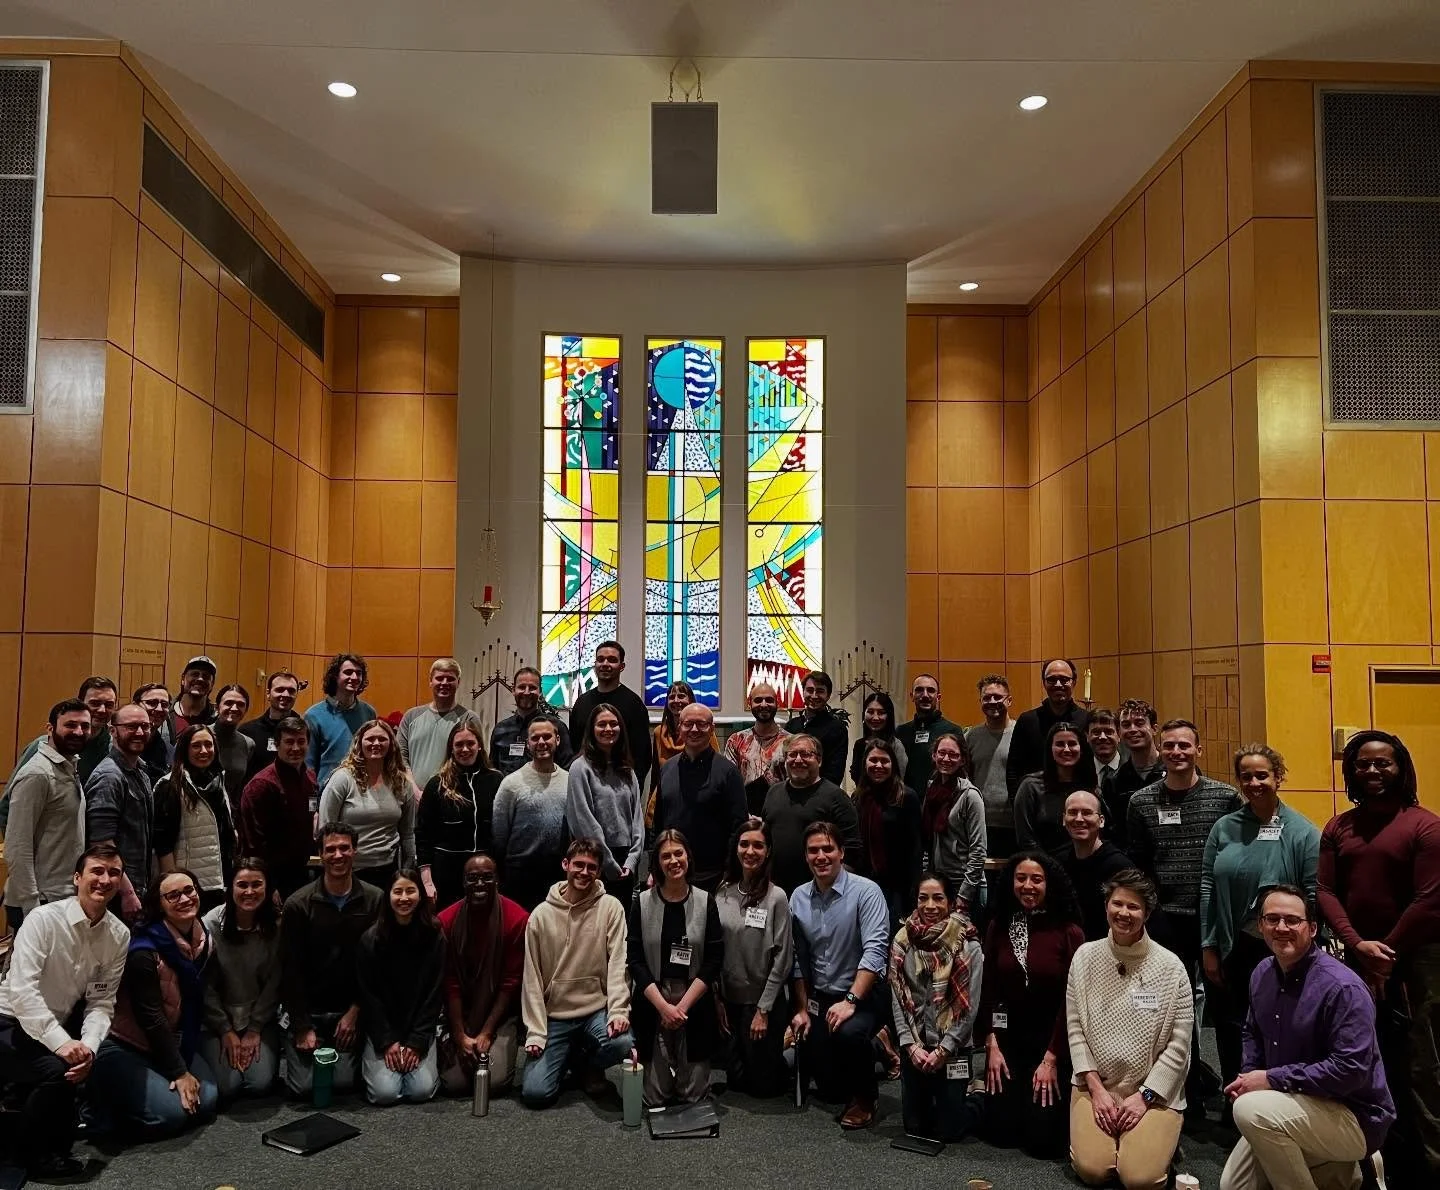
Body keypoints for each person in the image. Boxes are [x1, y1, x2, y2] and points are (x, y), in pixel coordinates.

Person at [1318, 730, 1440, 1181]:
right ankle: (1371, 1161)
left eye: (1382, 763)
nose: (1371, 771)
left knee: (1421, 1067)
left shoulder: (1425, 825)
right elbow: (1326, 890)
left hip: (1418, 959)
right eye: (1362, 763)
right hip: (1358, 958)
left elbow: (1429, 898)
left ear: (1401, 767)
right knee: (1364, 1058)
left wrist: (1385, 952)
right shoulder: (1339, 827)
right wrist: (1358, 947)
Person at [1220, 885, 1395, 1190]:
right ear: (1260, 926)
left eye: (1292, 920)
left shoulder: (1343, 988)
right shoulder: (1261, 973)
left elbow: (1350, 1071)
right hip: (1291, 1103)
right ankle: (1344, 1172)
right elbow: (1252, 1032)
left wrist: (1271, 1079)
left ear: (1313, 928)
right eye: (1272, 919)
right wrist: (1251, 1076)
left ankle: (1354, 1162)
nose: (1281, 928)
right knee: (1233, 1186)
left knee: (1250, 1112)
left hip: (1352, 1114)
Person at [1126, 718, 1242, 1111]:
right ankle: (1185, 1089)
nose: (1177, 753)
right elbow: (1138, 866)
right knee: (1173, 1012)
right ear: (1161, 749)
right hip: (1164, 921)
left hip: (1213, 918)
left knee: (1225, 1012)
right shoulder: (1141, 802)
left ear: (1198, 750)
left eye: (1184, 746)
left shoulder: (1225, 798)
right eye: (1170, 746)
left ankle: (1233, 1093)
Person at [0, 843, 128, 1179]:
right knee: (58, 1071)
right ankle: (28, 1158)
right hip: (7, 1017)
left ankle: (43, 1145)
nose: (105, 879)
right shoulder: (42, 920)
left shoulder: (119, 934)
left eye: (114, 872)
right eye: (96, 871)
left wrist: (88, 1048)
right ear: (77, 877)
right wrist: (62, 1044)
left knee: (75, 1067)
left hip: (52, 1024)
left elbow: (102, 1002)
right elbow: (22, 993)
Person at [1201, 744, 1320, 1095]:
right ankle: (1234, 1094)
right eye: (1246, 776)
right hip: (1231, 942)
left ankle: (1274, 1096)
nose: (1254, 782)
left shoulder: (1303, 832)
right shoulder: (1224, 827)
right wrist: (1209, 945)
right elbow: (1208, 886)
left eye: (1262, 775)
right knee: (1230, 1024)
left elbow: (1312, 895)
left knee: (1276, 1025)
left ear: (1278, 777)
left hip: (1281, 949)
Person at [1066, 870, 1193, 1190]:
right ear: (1106, 906)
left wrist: (1144, 1097)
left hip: (1153, 1091)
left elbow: (1180, 1047)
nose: (1124, 913)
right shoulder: (1084, 957)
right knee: (1093, 1170)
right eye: (1117, 904)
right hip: (1095, 1084)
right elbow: (1075, 1029)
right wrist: (1095, 1089)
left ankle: (1159, 1138)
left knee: (1140, 1179)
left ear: (1147, 913)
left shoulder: (1172, 967)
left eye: (1133, 907)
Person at [88, 868, 219, 1139]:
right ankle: (101, 1108)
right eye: (172, 895)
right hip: (127, 1044)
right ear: (159, 904)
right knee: (170, 1115)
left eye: (189, 890)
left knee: (207, 1101)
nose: (184, 899)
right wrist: (180, 1072)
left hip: (171, 1041)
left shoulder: (204, 939)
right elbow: (151, 1017)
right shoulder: (144, 950)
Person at [979, 850, 1085, 1157]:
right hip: (1008, 1038)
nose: (1028, 886)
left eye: (1036, 880)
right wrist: (991, 1044)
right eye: (1021, 878)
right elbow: (989, 986)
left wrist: (1051, 1058)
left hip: (1051, 1040)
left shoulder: (1069, 931)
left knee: (1043, 1144)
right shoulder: (999, 925)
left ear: (1049, 884)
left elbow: (1073, 1001)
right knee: (1000, 1133)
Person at [519, 837, 635, 1108]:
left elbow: (620, 963)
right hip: (555, 1016)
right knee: (536, 1095)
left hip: (595, 1010)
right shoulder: (540, 915)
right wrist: (535, 1031)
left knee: (622, 1044)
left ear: (599, 871)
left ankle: (585, 1063)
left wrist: (618, 1010)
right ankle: (567, 1056)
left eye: (592, 867)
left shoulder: (611, 908)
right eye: (578, 865)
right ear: (565, 865)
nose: (584, 872)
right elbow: (531, 979)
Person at [789, 821, 890, 1129]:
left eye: (828, 849)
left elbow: (875, 951)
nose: (821, 856)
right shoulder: (798, 897)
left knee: (848, 1033)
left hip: (863, 994)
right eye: (813, 850)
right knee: (832, 1091)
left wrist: (850, 1001)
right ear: (805, 857)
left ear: (841, 852)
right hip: (822, 998)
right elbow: (797, 961)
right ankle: (877, 1049)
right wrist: (802, 1009)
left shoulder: (866, 892)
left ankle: (865, 1098)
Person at [279, 822, 383, 1097]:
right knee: (303, 1088)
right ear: (320, 855)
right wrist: (302, 1027)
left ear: (355, 850)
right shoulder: (298, 905)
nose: (338, 855)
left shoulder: (375, 901)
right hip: (309, 1011)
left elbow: (376, 967)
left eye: (344, 848)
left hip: (349, 1014)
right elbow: (290, 970)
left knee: (342, 1083)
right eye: (330, 850)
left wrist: (355, 1012)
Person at [628, 830, 723, 1106]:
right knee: (654, 1098)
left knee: (692, 1097)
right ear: (656, 862)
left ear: (688, 857)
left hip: (693, 996)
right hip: (653, 996)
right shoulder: (642, 902)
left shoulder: (706, 901)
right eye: (666, 855)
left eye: (678, 853)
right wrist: (664, 1007)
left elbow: (713, 960)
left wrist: (681, 1007)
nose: (673, 861)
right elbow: (635, 959)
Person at [889, 871, 984, 1141]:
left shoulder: (968, 945)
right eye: (923, 898)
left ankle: (978, 1096)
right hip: (916, 1046)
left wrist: (944, 1050)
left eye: (938, 898)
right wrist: (910, 1046)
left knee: (948, 1131)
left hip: (952, 1049)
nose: (930, 906)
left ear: (951, 903)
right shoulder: (901, 941)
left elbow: (970, 1007)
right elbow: (896, 998)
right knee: (915, 1128)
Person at [714, 817, 793, 1098]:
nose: (750, 851)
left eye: (758, 846)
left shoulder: (777, 897)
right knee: (735, 1080)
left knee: (764, 1089)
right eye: (744, 844)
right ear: (736, 848)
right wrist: (717, 999)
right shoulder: (722, 891)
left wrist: (763, 1010)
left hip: (762, 1004)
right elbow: (713, 950)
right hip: (729, 1001)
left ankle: (791, 1052)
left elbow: (783, 957)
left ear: (768, 851)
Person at [437, 853, 529, 1095]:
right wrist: (459, 1034)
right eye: (473, 878)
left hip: (500, 1014)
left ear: (497, 881)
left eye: (487, 878)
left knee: (493, 1082)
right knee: (455, 1084)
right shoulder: (445, 921)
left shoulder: (517, 919)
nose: (479, 884)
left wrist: (487, 1032)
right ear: (463, 882)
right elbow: (450, 982)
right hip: (459, 1012)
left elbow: (511, 982)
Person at [356, 869, 444, 1105]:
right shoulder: (370, 939)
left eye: (410, 891)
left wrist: (416, 1043)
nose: (404, 898)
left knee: (420, 1091)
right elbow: (368, 996)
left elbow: (435, 994)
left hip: (420, 1027)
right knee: (385, 1094)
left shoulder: (435, 935)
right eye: (398, 892)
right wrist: (388, 1042)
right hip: (383, 1030)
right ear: (388, 896)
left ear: (420, 895)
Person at [3, 698, 91, 930]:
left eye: (85, 726)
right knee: (26, 967)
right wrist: (32, 905)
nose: (79, 731)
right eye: (70, 725)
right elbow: (16, 847)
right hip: (38, 900)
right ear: (50, 729)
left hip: (61, 896)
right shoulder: (38, 774)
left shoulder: (68, 767)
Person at [201, 860, 281, 1099]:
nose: (249, 892)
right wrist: (226, 1030)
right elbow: (205, 986)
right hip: (217, 1021)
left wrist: (255, 1029)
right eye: (242, 885)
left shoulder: (277, 925)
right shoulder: (210, 925)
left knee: (259, 1084)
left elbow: (274, 983)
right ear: (230, 888)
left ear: (267, 888)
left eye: (257, 885)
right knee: (228, 1088)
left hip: (259, 1017)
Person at [653, 703, 747, 891]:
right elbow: (658, 824)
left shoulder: (728, 772)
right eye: (688, 724)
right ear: (679, 728)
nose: (694, 729)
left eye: (701, 724)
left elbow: (738, 827)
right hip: (673, 871)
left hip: (714, 876)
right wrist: (653, 868)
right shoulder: (668, 769)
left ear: (712, 729)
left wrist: (730, 872)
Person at [319, 718, 419, 890]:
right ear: (359, 743)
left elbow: (408, 833)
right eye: (370, 739)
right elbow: (326, 828)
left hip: (388, 870)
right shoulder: (342, 779)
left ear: (391, 744)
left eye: (382, 739)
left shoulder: (402, 783)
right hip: (348, 870)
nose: (376, 743)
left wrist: (408, 871)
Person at [417, 715, 502, 908]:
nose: (465, 749)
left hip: (483, 872)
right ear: (451, 749)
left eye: (470, 743)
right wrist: (427, 881)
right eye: (459, 745)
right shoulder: (437, 784)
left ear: (479, 745)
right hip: (446, 871)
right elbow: (423, 834)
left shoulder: (496, 780)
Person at [153, 723, 239, 913]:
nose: (204, 751)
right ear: (185, 749)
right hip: (188, 885)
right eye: (196, 745)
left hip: (219, 880)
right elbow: (162, 843)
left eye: (208, 745)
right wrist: (172, 884)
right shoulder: (170, 786)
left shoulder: (218, 781)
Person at [762, 732, 862, 893]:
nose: (798, 760)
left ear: (819, 760)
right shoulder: (774, 792)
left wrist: (833, 890)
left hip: (821, 894)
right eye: (792, 754)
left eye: (805, 754)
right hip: (776, 891)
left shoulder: (836, 797)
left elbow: (852, 850)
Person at [0, 678, 118, 815]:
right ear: (80, 704)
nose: (102, 710)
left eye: (109, 705)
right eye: (95, 703)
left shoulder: (114, 748)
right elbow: (6, 807)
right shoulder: (44, 745)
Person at [566, 704, 644, 904]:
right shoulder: (580, 768)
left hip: (626, 863)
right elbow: (582, 819)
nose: (608, 729)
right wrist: (607, 862)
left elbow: (637, 818)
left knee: (621, 927)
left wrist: (633, 859)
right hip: (594, 862)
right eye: (602, 724)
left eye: (613, 724)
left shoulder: (627, 770)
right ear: (592, 730)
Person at [85, 701, 155, 920]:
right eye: (131, 727)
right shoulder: (109, 776)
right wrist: (128, 892)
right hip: (115, 891)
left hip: (137, 884)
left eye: (145, 726)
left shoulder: (141, 773)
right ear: (112, 730)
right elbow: (101, 842)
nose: (140, 732)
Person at [492, 717, 571, 910]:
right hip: (519, 876)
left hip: (557, 874)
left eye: (547, 736)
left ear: (557, 740)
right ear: (528, 744)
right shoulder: (511, 784)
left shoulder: (570, 781)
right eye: (535, 738)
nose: (542, 742)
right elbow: (499, 836)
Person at [237, 712, 317, 899]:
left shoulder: (310, 778)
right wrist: (268, 885)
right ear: (277, 744)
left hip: (302, 872)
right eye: (289, 742)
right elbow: (253, 843)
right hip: (270, 879)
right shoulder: (261, 785)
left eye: (301, 741)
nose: (296, 748)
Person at [852, 737, 922, 928]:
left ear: (893, 764)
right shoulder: (858, 798)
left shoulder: (907, 796)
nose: (878, 765)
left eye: (884, 761)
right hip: (864, 882)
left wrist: (914, 891)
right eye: (873, 760)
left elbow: (916, 847)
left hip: (897, 888)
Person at [568, 642, 653, 788]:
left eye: (612, 660)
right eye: (600, 659)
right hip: (585, 782)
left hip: (622, 784)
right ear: (595, 664)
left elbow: (642, 753)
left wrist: (632, 787)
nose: (605, 664)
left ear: (622, 666)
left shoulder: (634, 704)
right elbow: (574, 746)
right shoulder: (582, 703)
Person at [920, 732, 987, 915]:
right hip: (939, 883)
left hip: (965, 885)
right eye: (941, 753)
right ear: (934, 756)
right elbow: (928, 838)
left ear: (963, 760)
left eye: (953, 755)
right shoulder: (931, 790)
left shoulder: (970, 796)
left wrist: (964, 895)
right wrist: (927, 877)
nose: (946, 759)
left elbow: (978, 851)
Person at [1006, 659, 1091, 796]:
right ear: (1044, 683)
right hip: (1035, 803)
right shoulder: (1027, 720)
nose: (1058, 684)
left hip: (1078, 800)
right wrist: (1018, 802)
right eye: (1052, 679)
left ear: (1074, 682)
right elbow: (1013, 769)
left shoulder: (1086, 720)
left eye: (1064, 679)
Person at [1060, 790, 1136, 941]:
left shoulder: (1120, 867)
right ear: (1064, 819)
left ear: (1101, 821)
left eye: (1087, 813)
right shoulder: (1059, 864)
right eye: (1073, 812)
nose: (1079, 819)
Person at [1015, 721, 1099, 856]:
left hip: (1086, 866)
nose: (1066, 749)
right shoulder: (1030, 786)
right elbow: (1026, 839)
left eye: (1072, 744)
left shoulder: (1090, 787)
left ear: (1081, 749)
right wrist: (1051, 869)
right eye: (1060, 744)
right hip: (1044, 868)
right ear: (1050, 749)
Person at [305, 653, 378, 789]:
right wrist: (312, 805)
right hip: (326, 794)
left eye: (359, 673)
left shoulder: (369, 712)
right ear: (335, 676)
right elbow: (309, 767)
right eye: (348, 672)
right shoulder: (313, 715)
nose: (354, 677)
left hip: (362, 792)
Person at [396, 658, 468, 791]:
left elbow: (472, 761)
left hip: (453, 796)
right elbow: (400, 759)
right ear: (430, 681)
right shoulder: (411, 716)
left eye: (450, 679)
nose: (444, 683)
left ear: (458, 682)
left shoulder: (468, 718)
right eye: (439, 678)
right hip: (414, 798)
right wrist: (415, 792)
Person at [967, 674, 1017, 859]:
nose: (992, 701)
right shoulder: (971, 736)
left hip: (1013, 825)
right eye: (987, 698)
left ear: (1009, 700)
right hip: (979, 824)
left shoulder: (1021, 733)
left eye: (998, 697)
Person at [489, 666, 573, 775]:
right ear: (513, 690)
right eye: (522, 687)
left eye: (532, 687)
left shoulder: (556, 727)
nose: (526, 692)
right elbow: (493, 770)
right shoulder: (500, 729)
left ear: (540, 692)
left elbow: (567, 769)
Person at [723, 682, 790, 813]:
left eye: (769, 700)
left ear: (777, 703)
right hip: (745, 814)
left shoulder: (791, 742)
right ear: (750, 703)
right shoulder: (736, 740)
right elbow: (729, 784)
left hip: (781, 813)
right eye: (758, 700)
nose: (764, 704)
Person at [650, 679, 718, 807]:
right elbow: (655, 776)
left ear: (691, 700)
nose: (676, 701)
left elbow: (716, 770)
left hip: (696, 800)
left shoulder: (704, 732)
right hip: (664, 801)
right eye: (672, 697)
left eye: (681, 696)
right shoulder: (659, 732)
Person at [1109, 700, 1164, 849]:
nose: (1133, 729)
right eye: (1126, 725)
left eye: (1139, 723)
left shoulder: (1176, 770)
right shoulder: (1114, 781)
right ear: (1119, 732)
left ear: (1154, 728)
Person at [897, 672, 963, 793]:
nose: (925, 695)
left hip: (942, 802)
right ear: (912, 696)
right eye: (919, 690)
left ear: (938, 697)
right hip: (907, 803)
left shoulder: (953, 731)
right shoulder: (901, 732)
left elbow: (961, 772)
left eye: (931, 690)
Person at [783, 670, 848, 786]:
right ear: (803, 692)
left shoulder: (837, 729)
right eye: (810, 690)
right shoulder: (791, 725)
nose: (814, 696)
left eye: (820, 691)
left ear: (828, 696)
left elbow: (835, 774)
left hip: (821, 795)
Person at [239, 669, 302, 782]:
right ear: (268, 693)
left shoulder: (305, 731)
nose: (286, 694)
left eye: (291, 691)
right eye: (280, 690)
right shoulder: (247, 731)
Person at [849, 691, 909, 790]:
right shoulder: (859, 745)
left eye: (881, 713)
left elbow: (899, 781)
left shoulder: (896, 745)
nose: (875, 717)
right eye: (870, 712)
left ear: (889, 716)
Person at [212, 684, 254, 814]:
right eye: (228, 703)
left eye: (240, 704)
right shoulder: (198, 735)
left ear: (246, 710)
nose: (234, 708)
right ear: (217, 707)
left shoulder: (248, 744)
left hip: (230, 816)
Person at [134, 682, 174, 785]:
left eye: (165, 705)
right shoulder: (118, 744)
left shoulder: (169, 751)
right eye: (152, 703)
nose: (159, 709)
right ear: (135, 705)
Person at [167, 656, 218, 737]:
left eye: (206, 676)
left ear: (212, 684)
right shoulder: (165, 713)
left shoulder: (217, 719)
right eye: (195, 674)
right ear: (183, 679)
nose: (200, 679)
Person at [1088, 709, 1123, 797]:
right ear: (1087, 736)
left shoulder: (1132, 768)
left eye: (1108, 732)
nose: (1102, 737)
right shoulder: (1079, 771)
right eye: (1096, 732)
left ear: (1119, 735)